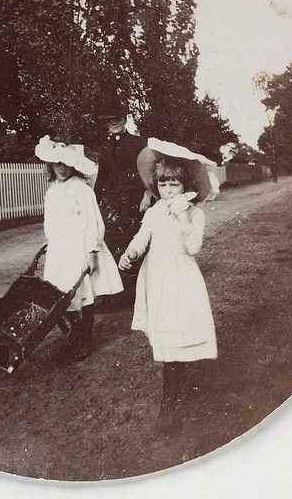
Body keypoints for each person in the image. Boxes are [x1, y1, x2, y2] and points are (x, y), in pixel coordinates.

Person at [119, 140, 217, 437]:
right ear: (156, 185)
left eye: (174, 184)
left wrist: (184, 216)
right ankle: (175, 381)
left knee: (177, 331)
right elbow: (142, 236)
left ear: (185, 185)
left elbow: (193, 246)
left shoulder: (193, 214)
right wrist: (131, 253)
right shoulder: (154, 212)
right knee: (164, 332)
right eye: (163, 184)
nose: (169, 190)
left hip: (179, 277)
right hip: (156, 276)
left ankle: (169, 404)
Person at [35, 135, 124, 362]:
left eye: (65, 164)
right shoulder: (52, 190)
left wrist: (92, 251)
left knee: (83, 291)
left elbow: (93, 221)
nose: (61, 169)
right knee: (61, 292)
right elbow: (50, 220)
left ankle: (85, 337)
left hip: (80, 246)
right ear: (50, 166)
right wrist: (52, 241)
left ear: (73, 166)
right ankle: (76, 331)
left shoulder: (82, 189)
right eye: (57, 164)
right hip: (60, 249)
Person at [93, 101, 152, 310]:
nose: (113, 124)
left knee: (134, 239)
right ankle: (120, 291)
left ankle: (138, 290)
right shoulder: (106, 146)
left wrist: (148, 194)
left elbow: (150, 169)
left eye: (116, 119)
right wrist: (94, 201)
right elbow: (102, 176)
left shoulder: (138, 143)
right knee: (110, 241)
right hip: (112, 201)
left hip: (135, 200)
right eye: (109, 121)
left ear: (125, 119)